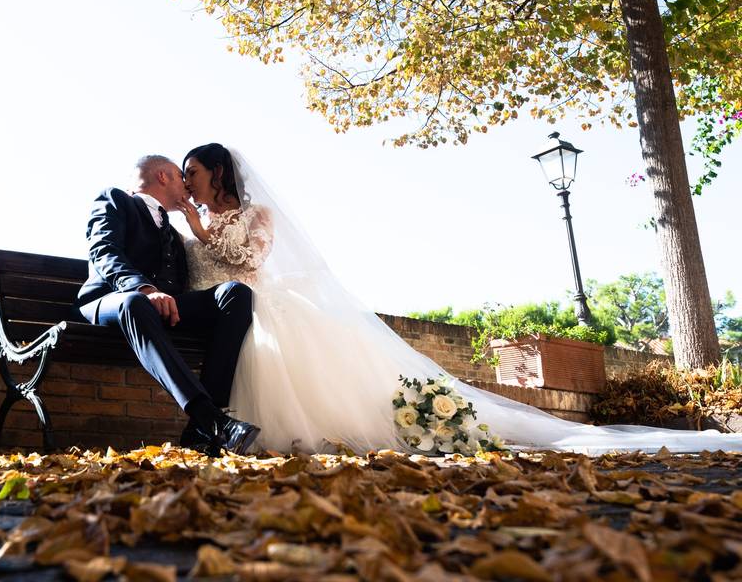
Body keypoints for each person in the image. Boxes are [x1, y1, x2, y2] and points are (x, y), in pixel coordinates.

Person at [175, 143, 742, 455]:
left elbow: (250, 262)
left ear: (218, 170)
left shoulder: (256, 215)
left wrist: (199, 229)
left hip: (264, 299)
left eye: (193, 171)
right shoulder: (193, 219)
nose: (189, 181)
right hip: (229, 311)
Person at [76, 154, 261, 455]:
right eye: (180, 175)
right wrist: (144, 288)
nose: (187, 184)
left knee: (235, 293)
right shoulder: (116, 200)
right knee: (135, 303)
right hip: (110, 301)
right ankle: (212, 420)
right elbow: (103, 250)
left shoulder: (174, 231)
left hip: (161, 307)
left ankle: (200, 430)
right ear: (163, 177)